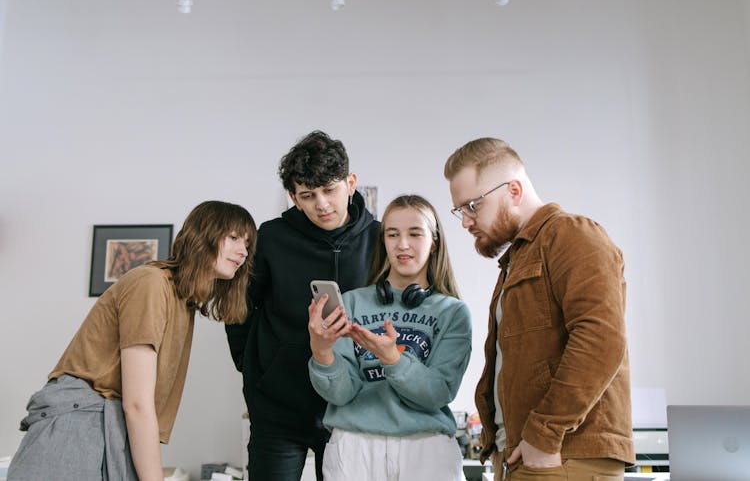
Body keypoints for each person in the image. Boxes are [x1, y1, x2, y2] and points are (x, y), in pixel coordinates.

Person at [8, 200, 257, 481]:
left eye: (247, 243)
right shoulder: (151, 283)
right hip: (79, 423)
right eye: (234, 238)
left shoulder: (182, 301)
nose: (243, 251)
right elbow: (137, 403)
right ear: (202, 236)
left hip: (107, 424)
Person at [444, 138, 634, 480]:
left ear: (514, 190)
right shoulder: (518, 259)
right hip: (530, 457)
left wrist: (543, 435)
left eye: (473, 205)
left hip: (562, 458)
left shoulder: (571, 237)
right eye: (461, 210)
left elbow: (601, 340)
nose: (466, 222)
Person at [225, 131, 380, 481]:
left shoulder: (380, 240)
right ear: (293, 196)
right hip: (278, 410)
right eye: (308, 195)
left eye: (330, 190)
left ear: (350, 183)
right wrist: (251, 368)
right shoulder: (270, 238)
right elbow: (238, 307)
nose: (321, 204)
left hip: (350, 409)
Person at [308, 194, 472, 481]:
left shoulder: (453, 312)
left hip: (426, 448)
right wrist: (322, 352)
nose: (403, 244)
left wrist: (392, 358)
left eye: (415, 234)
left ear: (434, 241)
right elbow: (340, 394)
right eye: (393, 234)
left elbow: (438, 392)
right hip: (354, 447)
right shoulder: (352, 303)